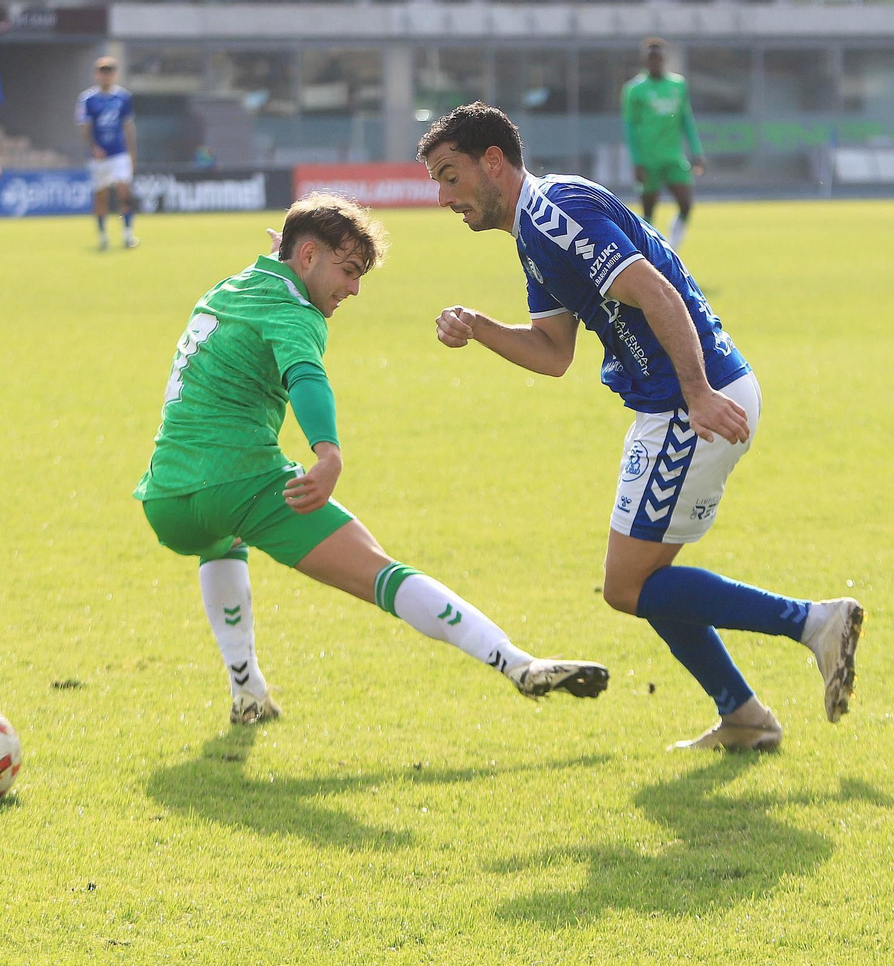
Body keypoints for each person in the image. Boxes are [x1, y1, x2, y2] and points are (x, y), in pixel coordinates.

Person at [419, 103, 862, 751]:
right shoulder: (534, 231)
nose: (441, 198)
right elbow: (553, 352)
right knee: (649, 585)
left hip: (688, 402)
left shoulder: (555, 216)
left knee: (628, 586)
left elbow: (655, 290)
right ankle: (743, 716)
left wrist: (698, 394)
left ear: (493, 162)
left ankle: (814, 624)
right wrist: (479, 327)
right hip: (679, 400)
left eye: (449, 176)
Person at [134, 192, 609, 724]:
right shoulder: (295, 312)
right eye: (349, 271)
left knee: (223, 538)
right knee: (384, 574)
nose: (354, 289)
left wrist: (286, 249)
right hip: (239, 482)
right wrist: (328, 452)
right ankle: (517, 663)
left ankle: (246, 690)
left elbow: (286, 259)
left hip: (166, 499)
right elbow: (305, 377)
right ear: (309, 256)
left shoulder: (237, 285)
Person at [621, 38, 705, 250]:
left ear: (664, 58)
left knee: (686, 203)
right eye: (651, 57)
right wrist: (637, 161)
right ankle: (647, 253)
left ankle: (673, 244)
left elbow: (686, 119)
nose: (654, 61)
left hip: (673, 157)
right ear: (645, 60)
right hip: (649, 159)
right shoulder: (634, 89)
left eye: (658, 57)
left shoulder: (678, 85)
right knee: (648, 212)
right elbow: (630, 128)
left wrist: (696, 151)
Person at [76, 57, 138, 250]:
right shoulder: (88, 99)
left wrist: (132, 152)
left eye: (109, 71)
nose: (106, 75)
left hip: (118, 153)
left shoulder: (123, 97)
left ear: (115, 74)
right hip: (99, 156)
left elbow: (128, 125)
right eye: (103, 71)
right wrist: (93, 147)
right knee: (101, 196)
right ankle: (103, 236)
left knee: (124, 191)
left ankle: (128, 234)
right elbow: (85, 127)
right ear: (97, 74)